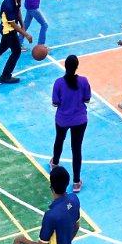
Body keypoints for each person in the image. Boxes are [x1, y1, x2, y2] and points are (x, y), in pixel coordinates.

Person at [51, 55, 90, 193]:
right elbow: (87, 99)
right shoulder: (84, 81)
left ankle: (55, 162)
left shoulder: (58, 83)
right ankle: (76, 182)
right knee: (76, 149)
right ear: (76, 67)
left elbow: (55, 102)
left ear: (65, 66)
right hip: (80, 120)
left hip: (63, 119)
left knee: (59, 140)